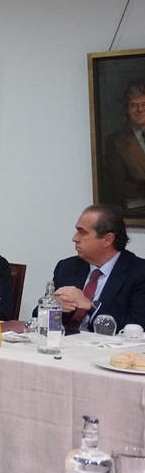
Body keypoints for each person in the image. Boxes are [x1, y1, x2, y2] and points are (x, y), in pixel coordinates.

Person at [50, 204, 145, 334]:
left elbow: (137, 327)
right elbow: (37, 316)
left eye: (82, 232)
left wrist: (90, 306)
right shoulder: (67, 267)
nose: (75, 238)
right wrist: (54, 306)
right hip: (65, 345)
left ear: (107, 240)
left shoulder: (139, 273)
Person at [102, 82, 145, 215]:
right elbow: (119, 185)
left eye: (144, 105)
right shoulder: (115, 141)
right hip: (136, 209)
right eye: (133, 105)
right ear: (126, 109)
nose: (140, 110)